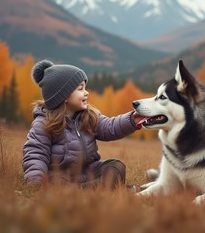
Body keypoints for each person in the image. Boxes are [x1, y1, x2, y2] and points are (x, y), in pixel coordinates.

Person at [23, 60, 142, 189]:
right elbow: (35, 155)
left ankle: (91, 189)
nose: (86, 92)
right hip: (63, 177)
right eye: (80, 88)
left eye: (85, 87)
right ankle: (106, 189)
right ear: (64, 96)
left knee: (116, 166)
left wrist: (132, 119)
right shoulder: (44, 123)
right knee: (56, 182)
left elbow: (110, 127)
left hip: (89, 172)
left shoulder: (88, 115)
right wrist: (35, 182)